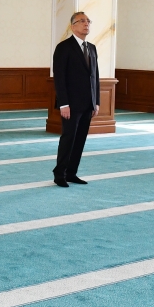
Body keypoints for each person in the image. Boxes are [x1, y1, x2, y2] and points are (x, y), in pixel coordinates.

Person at [51, 11, 100, 187]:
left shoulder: (92, 48)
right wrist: (63, 103)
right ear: (73, 26)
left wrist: (96, 101)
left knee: (80, 140)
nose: (86, 24)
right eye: (82, 21)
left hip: (88, 104)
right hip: (70, 105)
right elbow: (59, 78)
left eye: (88, 21)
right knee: (68, 138)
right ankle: (59, 174)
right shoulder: (64, 47)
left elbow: (95, 77)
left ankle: (72, 173)